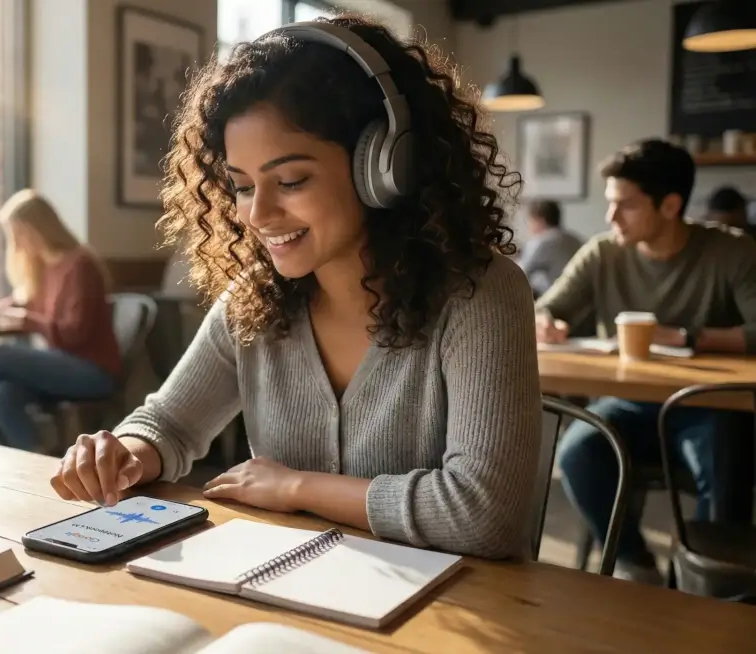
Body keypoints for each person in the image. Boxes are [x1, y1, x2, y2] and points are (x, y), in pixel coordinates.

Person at [50, 16, 541, 559]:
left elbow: (484, 514)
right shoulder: (253, 300)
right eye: (242, 186)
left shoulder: (481, 294)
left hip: (460, 602)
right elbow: (169, 422)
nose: (258, 214)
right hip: (291, 586)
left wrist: (297, 488)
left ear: (384, 167)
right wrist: (126, 452)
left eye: (290, 181)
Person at [536, 139, 756, 583]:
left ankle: (708, 583)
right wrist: (547, 322)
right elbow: (545, 308)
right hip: (628, 404)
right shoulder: (602, 252)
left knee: (725, 463)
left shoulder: (732, 250)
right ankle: (636, 564)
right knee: (577, 452)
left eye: (626, 205)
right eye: (610, 203)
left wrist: (689, 336)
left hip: (709, 406)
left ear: (670, 205)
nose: (610, 217)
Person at [0, 189, 120, 453]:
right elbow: (31, 304)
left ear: (39, 229)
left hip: (92, 371)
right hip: (62, 365)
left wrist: (29, 321)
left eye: (20, 233)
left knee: (0, 355)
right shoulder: (43, 268)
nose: (18, 243)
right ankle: (37, 458)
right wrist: (5, 308)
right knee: (1, 393)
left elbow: (74, 333)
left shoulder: (80, 265)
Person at [516, 199, 582, 297]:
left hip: (554, 299)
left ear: (540, 220)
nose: (529, 226)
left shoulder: (541, 242)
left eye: (530, 221)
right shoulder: (575, 239)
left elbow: (517, 273)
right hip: (580, 298)